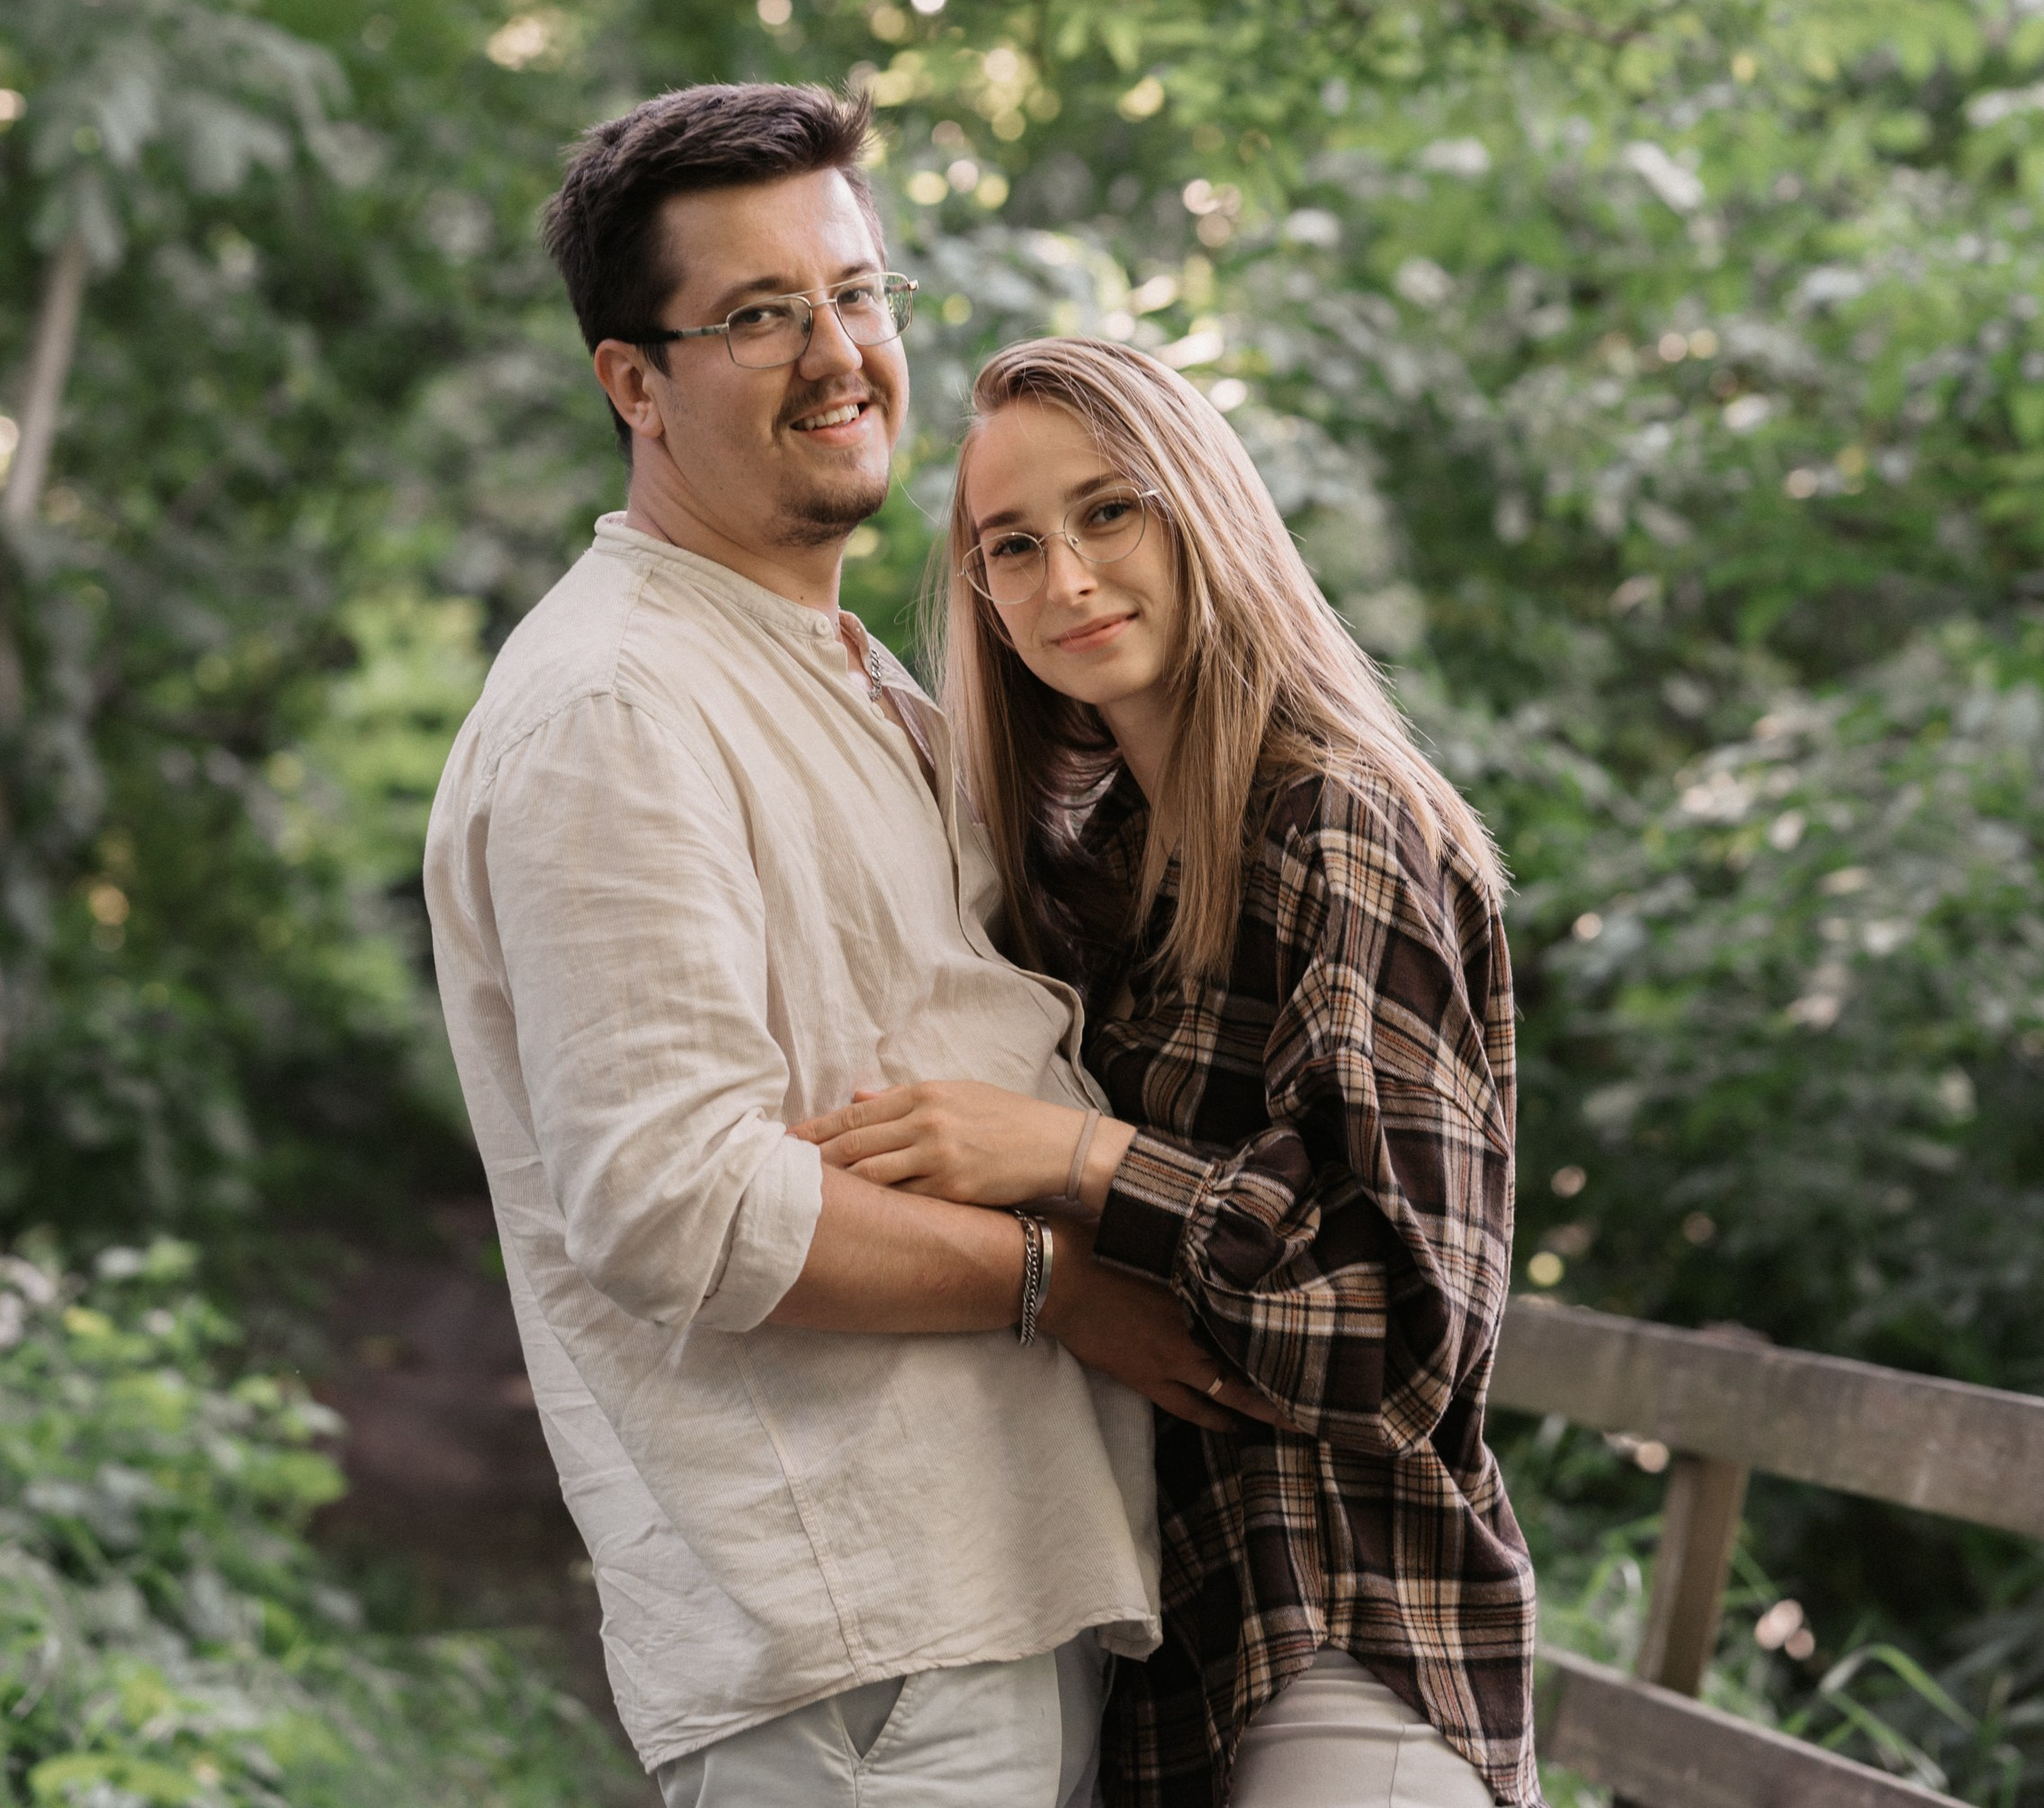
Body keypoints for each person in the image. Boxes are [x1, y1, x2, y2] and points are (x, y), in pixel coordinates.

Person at [424, 87, 1265, 1808]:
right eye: (755, 315)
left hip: (965, 1607)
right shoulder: (615, 705)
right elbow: (676, 1201)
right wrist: (1058, 1285)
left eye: (857, 292)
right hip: (861, 1670)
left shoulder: (841, 665)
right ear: (632, 383)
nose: (838, 354)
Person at [795, 337, 1542, 1808]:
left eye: (1108, 512)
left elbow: (1400, 1339)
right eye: (1011, 546)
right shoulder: (1102, 880)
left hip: (1342, 1650)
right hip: (1173, 1672)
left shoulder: (1340, 823)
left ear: (1202, 510)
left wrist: (1070, 1161)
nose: (1063, 577)